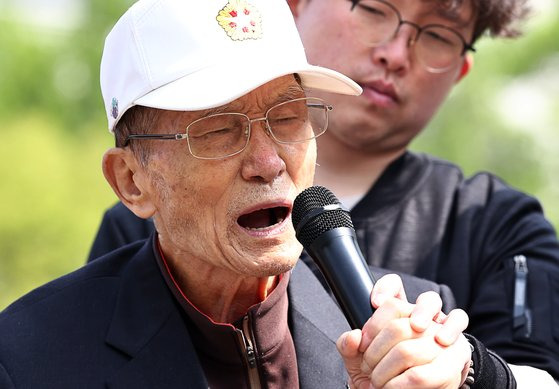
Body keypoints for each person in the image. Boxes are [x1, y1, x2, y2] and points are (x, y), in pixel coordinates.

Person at [0, 0, 479, 387]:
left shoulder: (417, 330)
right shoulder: (28, 356)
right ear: (131, 181)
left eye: (289, 118)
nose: (268, 163)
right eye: (218, 131)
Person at [87, 0, 559, 386]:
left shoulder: (493, 224)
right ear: (294, 8)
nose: (396, 53)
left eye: (438, 35)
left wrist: (468, 369)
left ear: (460, 71)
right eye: (373, 9)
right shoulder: (144, 223)